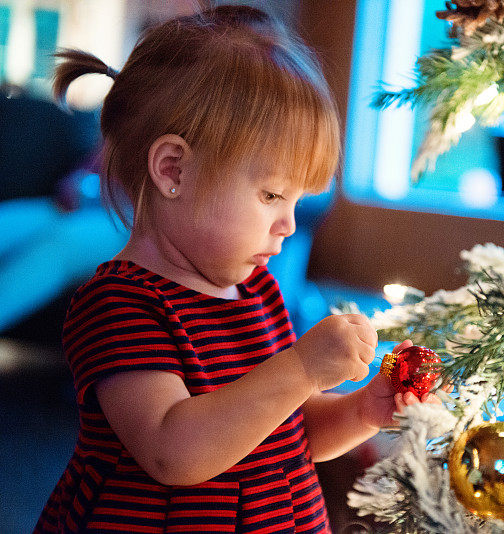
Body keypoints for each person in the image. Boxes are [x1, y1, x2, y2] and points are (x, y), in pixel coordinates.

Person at [35, 6, 438, 533]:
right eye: (271, 194)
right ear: (173, 169)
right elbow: (173, 450)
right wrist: (300, 368)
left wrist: (363, 410)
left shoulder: (259, 293)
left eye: (295, 200)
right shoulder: (120, 304)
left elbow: (293, 433)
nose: (288, 224)